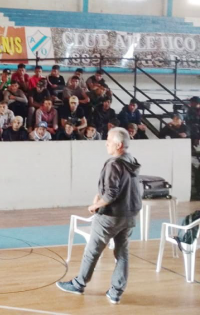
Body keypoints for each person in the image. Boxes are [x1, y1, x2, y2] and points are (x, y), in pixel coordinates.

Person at [56, 128, 141, 305]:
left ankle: (79, 283)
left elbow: (111, 194)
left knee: (92, 251)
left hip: (111, 216)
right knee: (122, 254)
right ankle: (116, 292)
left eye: (108, 140)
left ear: (118, 145)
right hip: (130, 215)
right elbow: (118, 187)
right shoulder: (131, 160)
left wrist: (95, 205)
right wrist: (100, 195)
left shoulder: (114, 163)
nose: (106, 143)